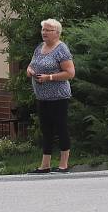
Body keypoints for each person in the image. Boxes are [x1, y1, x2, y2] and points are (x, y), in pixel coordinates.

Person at [25, 18, 75, 174]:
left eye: (48, 30)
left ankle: (63, 164)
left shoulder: (62, 49)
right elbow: (31, 64)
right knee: (45, 130)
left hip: (58, 97)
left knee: (60, 128)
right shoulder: (40, 47)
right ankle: (45, 165)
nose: (44, 33)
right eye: (43, 30)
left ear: (57, 33)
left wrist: (49, 78)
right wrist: (30, 71)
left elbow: (70, 73)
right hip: (42, 97)